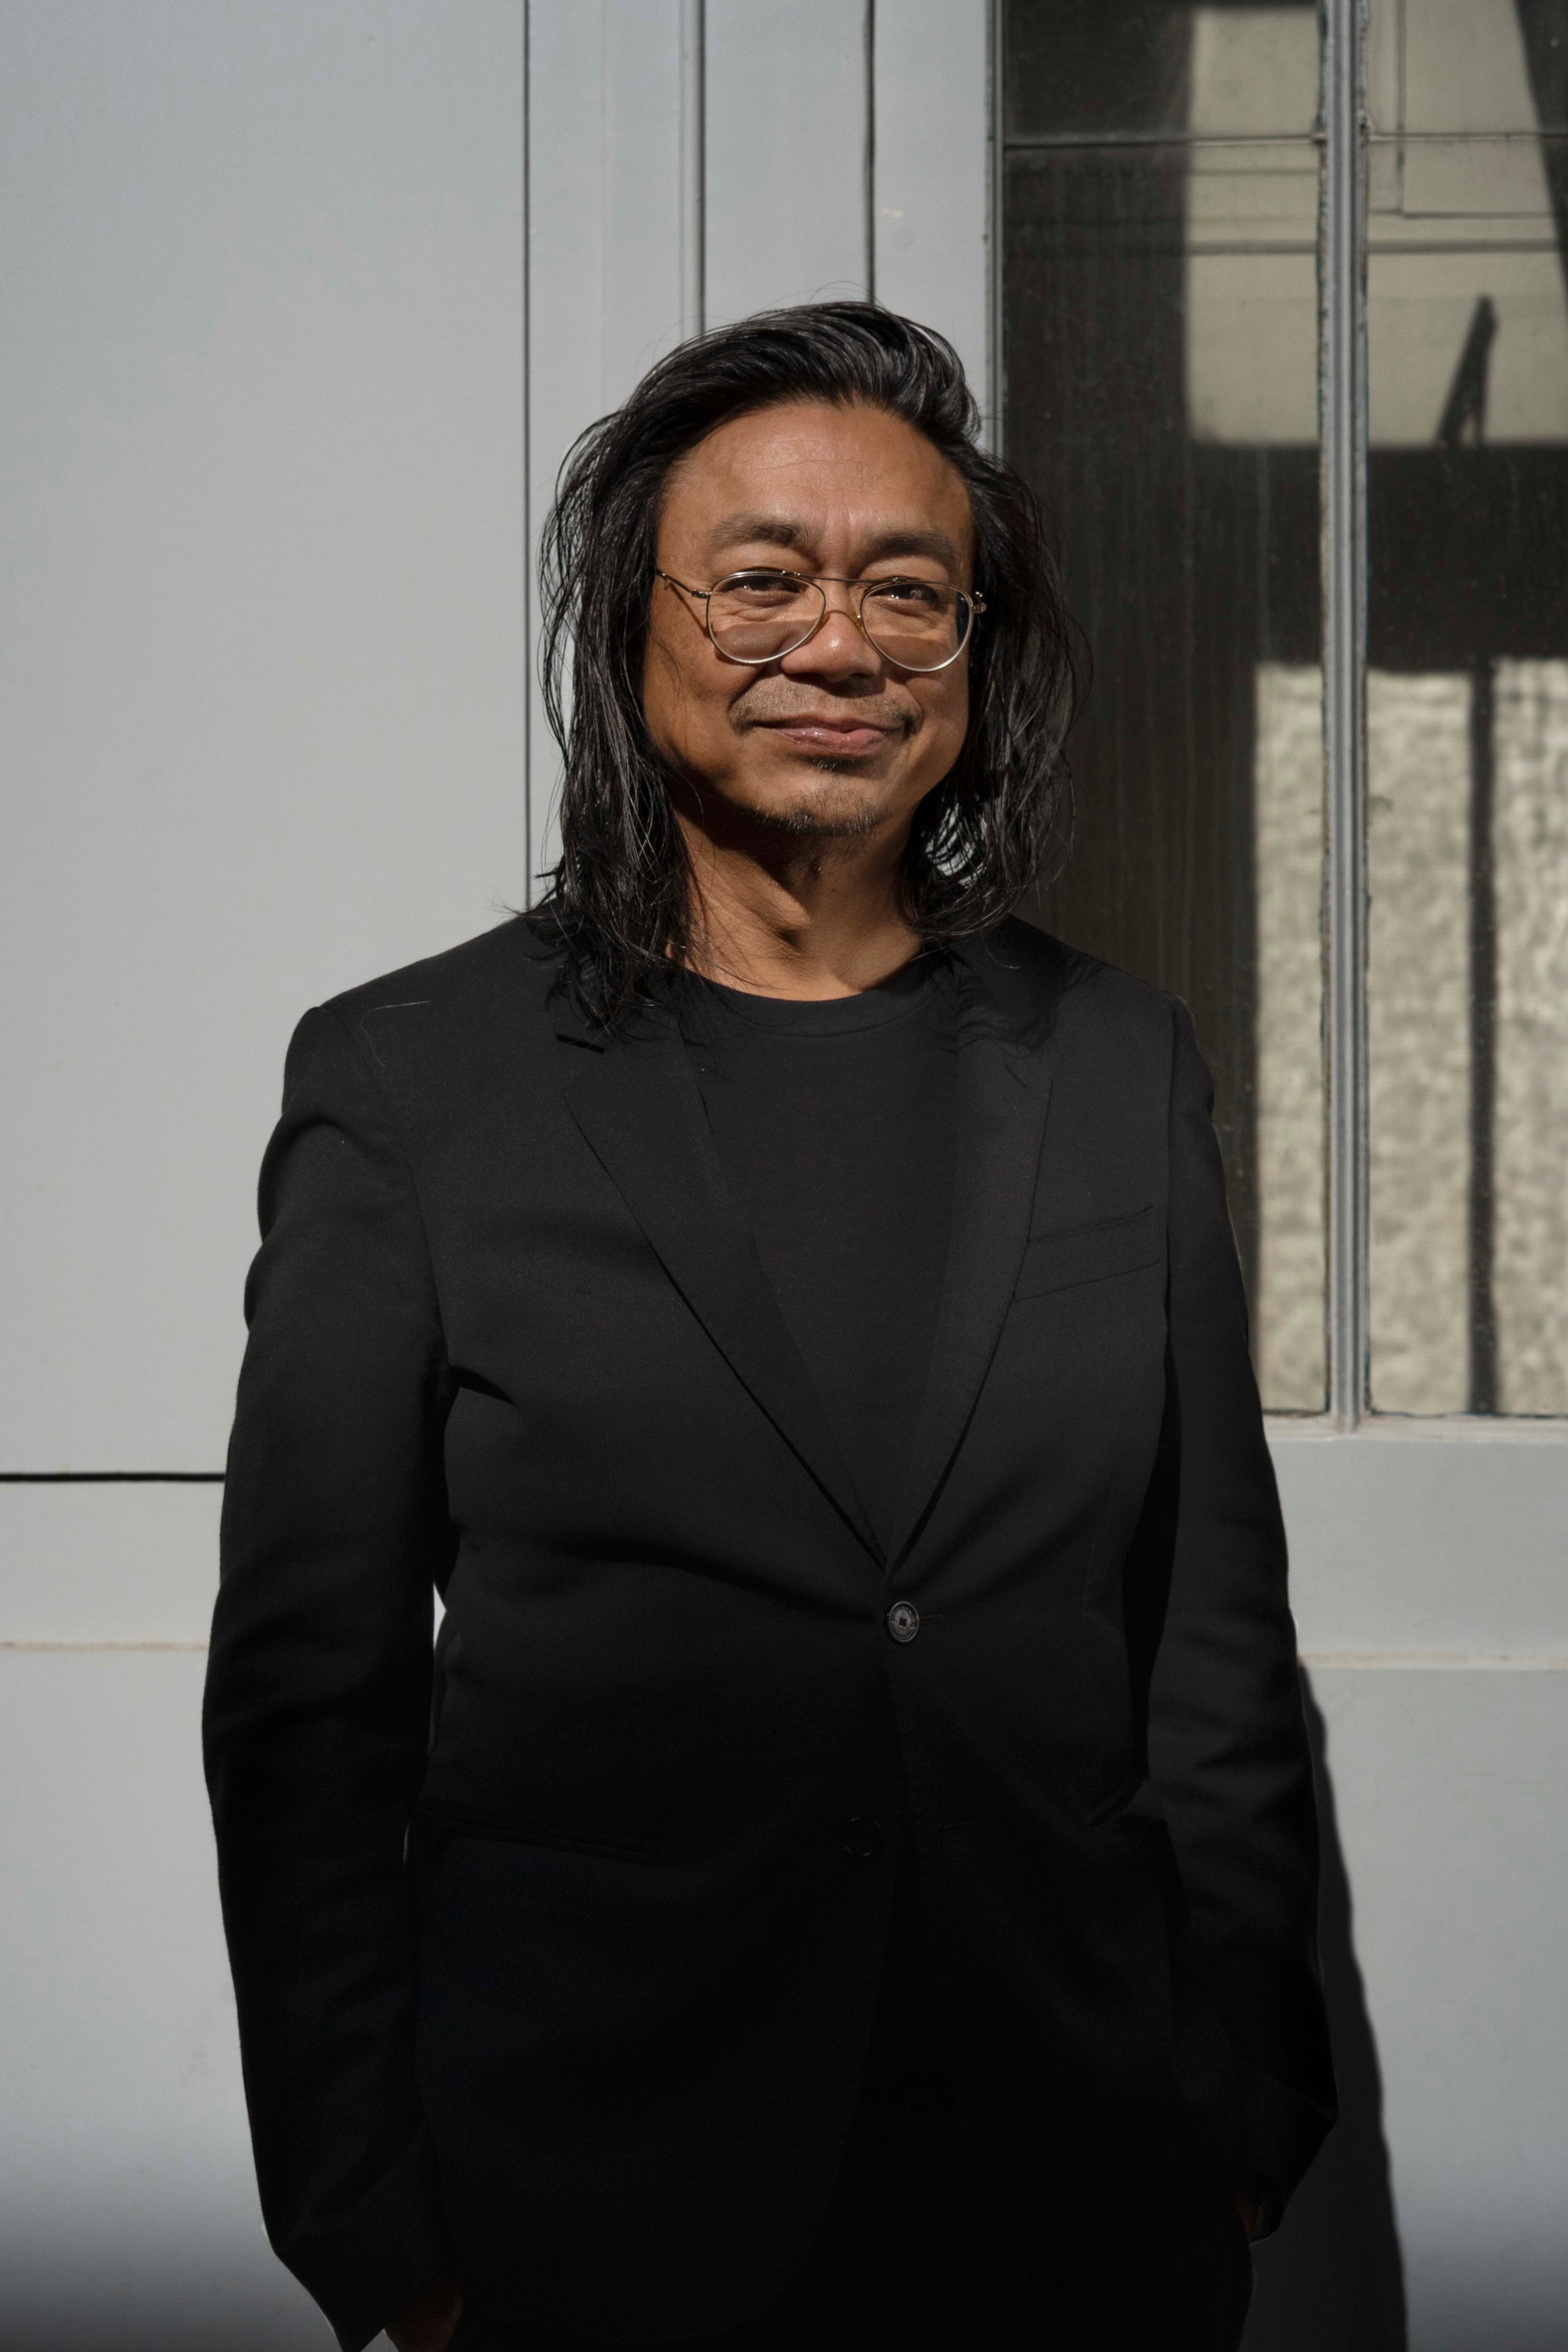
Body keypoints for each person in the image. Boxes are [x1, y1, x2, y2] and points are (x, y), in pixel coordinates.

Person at [203, 302, 1334, 2352]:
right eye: (763, 581)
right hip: (591, 2210)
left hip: (1080, 2207)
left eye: (911, 590)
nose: (841, 645)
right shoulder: (413, 1083)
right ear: (630, 628)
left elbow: (1210, 1643)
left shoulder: (1117, 1066)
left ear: (980, 661)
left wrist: (1243, 2106)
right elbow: (310, 1708)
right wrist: (381, 2234)